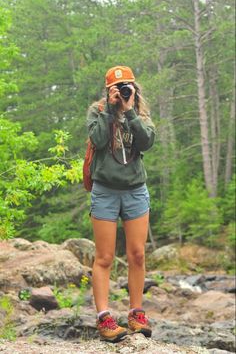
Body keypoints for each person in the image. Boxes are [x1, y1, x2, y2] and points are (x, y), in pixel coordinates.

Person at [86, 65, 155, 343]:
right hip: (105, 191)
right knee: (103, 257)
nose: (123, 90)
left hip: (135, 191)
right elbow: (99, 140)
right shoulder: (98, 111)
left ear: (135, 88)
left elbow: (147, 142)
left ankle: (136, 314)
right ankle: (104, 318)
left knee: (137, 253)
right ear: (108, 90)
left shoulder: (141, 114)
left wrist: (129, 112)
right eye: (117, 87)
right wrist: (109, 110)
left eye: (128, 86)